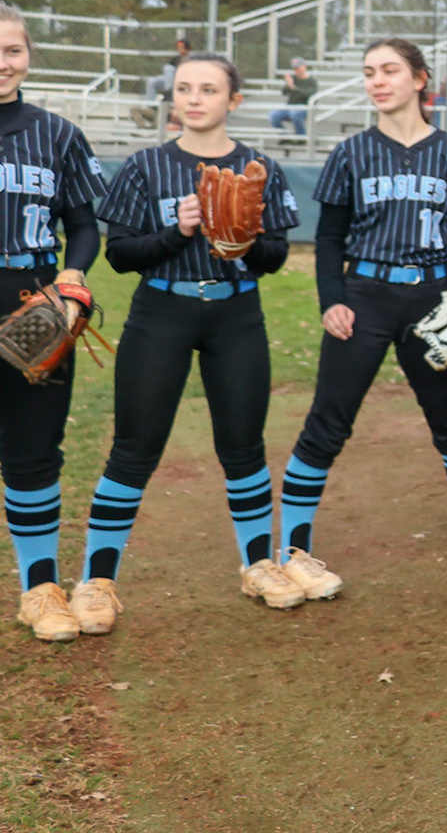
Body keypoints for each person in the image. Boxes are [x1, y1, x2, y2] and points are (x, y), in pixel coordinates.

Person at [78, 53, 306, 631]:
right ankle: (97, 579)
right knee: (135, 445)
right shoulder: (146, 165)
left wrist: (241, 241)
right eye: (184, 89)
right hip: (162, 310)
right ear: (173, 99)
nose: (194, 98)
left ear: (235, 100)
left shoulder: (260, 166)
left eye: (209, 89)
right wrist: (178, 231)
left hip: (235, 313)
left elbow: (276, 256)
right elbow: (119, 254)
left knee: (243, 446)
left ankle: (259, 565)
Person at [277, 38, 447, 598]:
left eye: (390, 70)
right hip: (364, 294)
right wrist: (332, 300)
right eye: (370, 72)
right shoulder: (351, 152)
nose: (377, 80)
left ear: (420, 79)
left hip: (429, 298)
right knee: (329, 418)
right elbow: (328, 237)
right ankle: (293, 548)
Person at [0, 4, 108, 642]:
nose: (2, 62)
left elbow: (86, 223)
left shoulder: (58, 134)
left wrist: (73, 277)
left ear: (28, 56)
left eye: (13, 49)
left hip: (32, 296)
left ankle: (39, 588)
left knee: (33, 451)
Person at [270, 58, 316, 137]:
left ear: (304, 67)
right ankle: (284, 136)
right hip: (290, 106)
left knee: (295, 114)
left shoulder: (311, 81)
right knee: (274, 115)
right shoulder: (293, 79)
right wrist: (288, 84)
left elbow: (308, 94)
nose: (296, 70)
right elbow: (284, 92)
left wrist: (293, 87)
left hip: (304, 107)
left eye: (298, 68)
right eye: (294, 68)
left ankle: (301, 136)